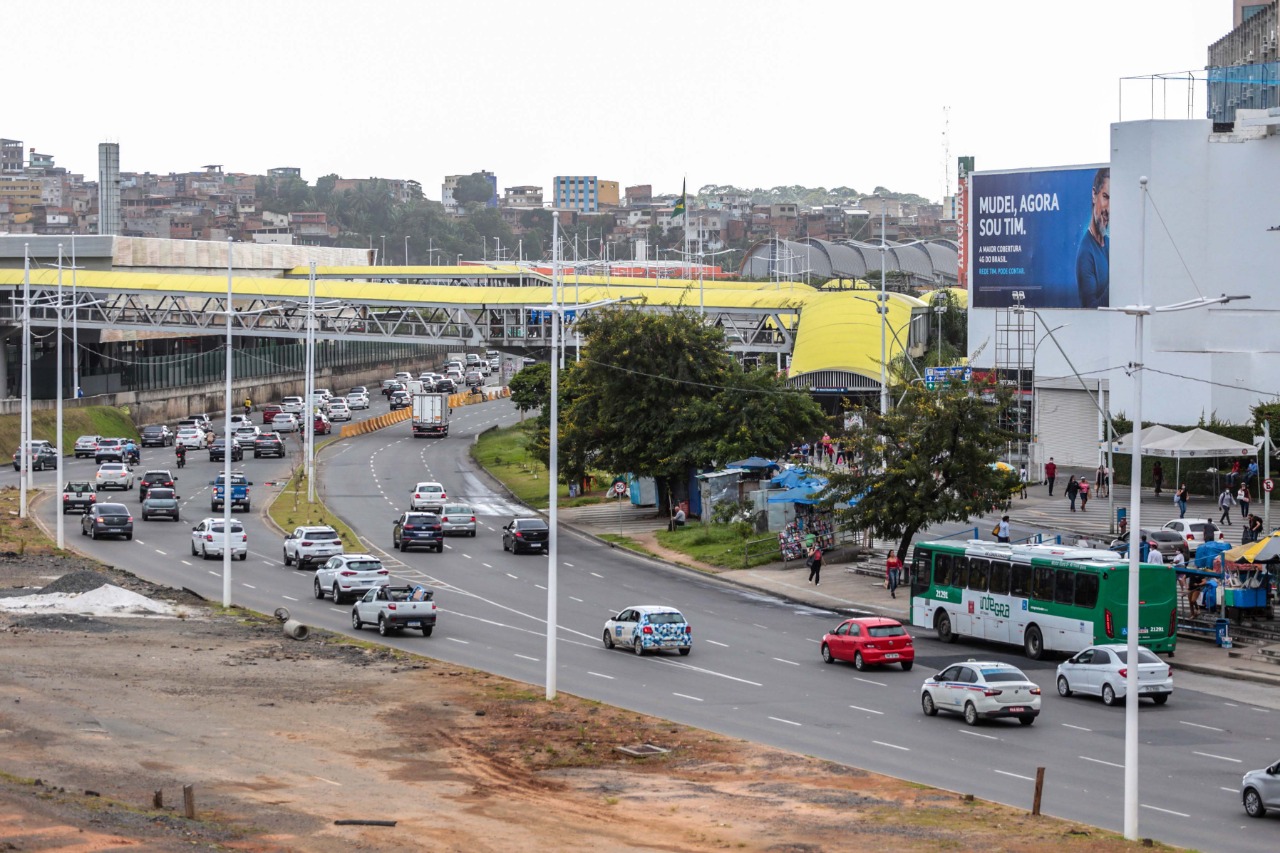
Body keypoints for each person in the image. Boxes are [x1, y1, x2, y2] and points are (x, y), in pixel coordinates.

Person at [1076, 166, 1110, 309]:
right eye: (1106, 197)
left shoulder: (1108, 244)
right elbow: (1091, 310)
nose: (1109, 208)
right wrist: (1117, 283)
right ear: (1094, 195)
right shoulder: (1086, 253)